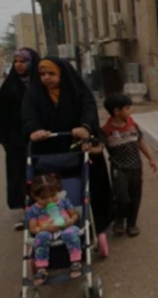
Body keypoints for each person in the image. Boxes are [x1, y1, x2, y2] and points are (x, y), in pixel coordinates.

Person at [22, 57, 113, 235]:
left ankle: (97, 222)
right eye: (42, 74)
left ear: (62, 74)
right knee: (45, 186)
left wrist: (85, 127)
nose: (46, 77)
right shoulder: (33, 94)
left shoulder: (77, 91)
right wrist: (34, 130)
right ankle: (48, 222)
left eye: (51, 73)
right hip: (48, 148)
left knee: (91, 181)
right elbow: (27, 116)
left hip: (76, 145)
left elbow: (89, 110)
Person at [0, 47, 40, 230]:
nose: (18, 65)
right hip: (17, 139)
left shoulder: (41, 81)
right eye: (16, 61)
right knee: (20, 174)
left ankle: (47, 209)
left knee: (41, 172)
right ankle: (27, 212)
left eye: (23, 61)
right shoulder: (11, 83)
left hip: (38, 135)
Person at [102, 93, 157, 237]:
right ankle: (119, 220)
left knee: (135, 197)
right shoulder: (106, 131)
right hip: (119, 168)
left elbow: (140, 141)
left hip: (136, 167)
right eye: (127, 108)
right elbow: (99, 147)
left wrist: (150, 158)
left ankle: (132, 224)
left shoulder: (133, 125)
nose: (129, 111)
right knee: (121, 197)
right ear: (116, 111)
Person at [26, 174, 82, 284]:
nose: (50, 200)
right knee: (41, 237)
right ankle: (41, 267)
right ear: (35, 197)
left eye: (53, 195)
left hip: (66, 227)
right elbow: (33, 228)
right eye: (44, 198)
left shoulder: (63, 202)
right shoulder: (34, 210)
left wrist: (71, 221)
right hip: (47, 231)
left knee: (70, 233)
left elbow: (74, 215)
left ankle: (76, 261)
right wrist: (44, 228)